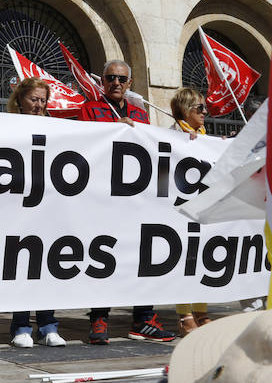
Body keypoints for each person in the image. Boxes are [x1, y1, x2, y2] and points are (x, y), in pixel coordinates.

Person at [78, 59, 177, 344]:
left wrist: (187, 138)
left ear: (130, 83)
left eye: (122, 79)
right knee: (103, 257)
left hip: (136, 198)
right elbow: (82, 145)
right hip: (103, 198)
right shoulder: (89, 109)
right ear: (103, 81)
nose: (116, 83)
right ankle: (99, 318)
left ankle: (144, 319)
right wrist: (113, 129)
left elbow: (156, 147)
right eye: (110, 78)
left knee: (144, 256)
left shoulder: (140, 114)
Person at [4, 78, 67, 348]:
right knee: (22, 267)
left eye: (43, 100)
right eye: (34, 99)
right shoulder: (5, 127)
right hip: (18, 206)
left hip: (48, 207)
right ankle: (21, 326)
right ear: (20, 100)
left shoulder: (55, 128)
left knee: (47, 266)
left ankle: (48, 325)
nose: (39, 105)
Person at [169, 87, 211, 336]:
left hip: (202, 206)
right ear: (185, 111)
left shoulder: (205, 136)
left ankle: (201, 310)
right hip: (180, 208)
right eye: (199, 108)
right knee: (184, 260)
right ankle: (184, 314)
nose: (205, 112)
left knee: (203, 258)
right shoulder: (172, 135)